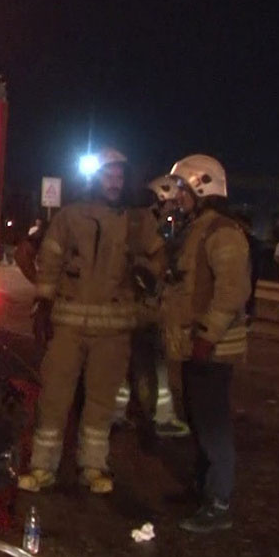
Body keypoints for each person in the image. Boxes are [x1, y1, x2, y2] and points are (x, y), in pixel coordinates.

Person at [18, 148, 165, 495]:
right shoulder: (70, 216)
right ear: (95, 178)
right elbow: (50, 262)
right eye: (108, 175)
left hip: (113, 331)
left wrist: (150, 275)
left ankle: (94, 467)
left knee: (101, 403)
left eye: (119, 176)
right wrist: (42, 305)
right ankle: (42, 467)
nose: (115, 182)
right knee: (54, 396)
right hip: (68, 324)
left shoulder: (138, 219)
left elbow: (159, 260)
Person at [161, 154, 251, 533]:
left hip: (211, 348)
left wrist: (207, 336)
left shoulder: (222, 232)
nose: (176, 196)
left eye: (182, 188)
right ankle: (203, 489)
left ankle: (218, 502)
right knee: (199, 419)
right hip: (196, 344)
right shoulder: (199, 227)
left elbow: (232, 292)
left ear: (202, 186)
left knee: (213, 425)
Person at [116, 176, 191, 441]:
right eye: (171, 203)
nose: (175, 208)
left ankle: (118, 412)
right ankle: (163, 417)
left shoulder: (130, 217)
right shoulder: (145, 223)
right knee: (153, 362)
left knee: (125, 361)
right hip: (142, 307)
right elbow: (153, 264)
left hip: (127, 305)